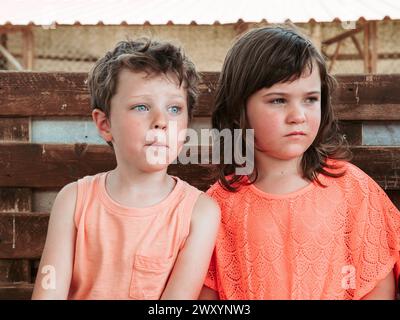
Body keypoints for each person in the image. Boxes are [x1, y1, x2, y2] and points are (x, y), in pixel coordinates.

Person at [199, 26, 400, 300]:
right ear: (237, 110)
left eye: (310, 99)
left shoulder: (353, 189)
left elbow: (377, 286)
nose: (298, 116)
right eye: (279, 100)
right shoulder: (217, 207)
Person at [32, 38, 220, 300]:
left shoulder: (199, 213)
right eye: (141, 107)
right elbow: (48, 294)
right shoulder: (73, 201)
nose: (161, 122)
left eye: (175, 108)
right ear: (105, 124)